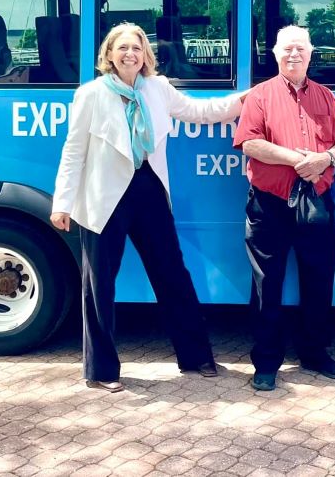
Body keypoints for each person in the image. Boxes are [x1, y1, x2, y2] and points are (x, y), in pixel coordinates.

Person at [51, 23, 243, 393]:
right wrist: (63, 202)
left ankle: (196, 357)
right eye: (123, 48)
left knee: (173, 274)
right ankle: (101, 371)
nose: (130, 54)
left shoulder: (158, 88)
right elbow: (74, 151)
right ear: (109, 54)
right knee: (99, 284)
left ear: (146, 55)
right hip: (104, 197)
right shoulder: (91, 94)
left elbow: (199, 111)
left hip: (149, 189)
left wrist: (246, 99)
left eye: (137, 48)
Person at [233, 25, 335, 392]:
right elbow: (249, 143)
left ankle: (315, 354)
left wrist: (325, 158)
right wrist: (297, 159)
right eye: (287, 49)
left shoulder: (326, 97)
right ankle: (266, 361)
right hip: (269, 204)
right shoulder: (260, 96)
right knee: (266, 284)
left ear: (311, 53)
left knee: (319, 280)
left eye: (300, 48)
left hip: (316, 203)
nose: (294, 54)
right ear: (275, 54)